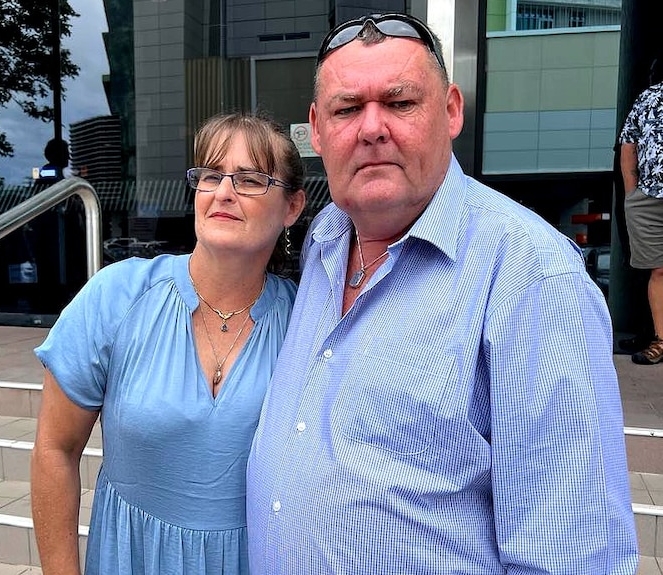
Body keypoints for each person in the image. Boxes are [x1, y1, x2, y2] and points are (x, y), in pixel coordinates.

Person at [246, 13, 637, 574]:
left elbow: (572, 555)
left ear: (452, 110)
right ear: (315, 126)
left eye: (400, 103)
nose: (372, 128)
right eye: (347, 108)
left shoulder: (531, 278)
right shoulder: (324, 241)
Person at [31, 112, 306, 575]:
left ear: (292, 207)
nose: (223, 192)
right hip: (133, 559)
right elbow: (55, 449)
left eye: (250, 179)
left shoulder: (308, 322)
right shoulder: (117, 295)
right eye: (211, 175)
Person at [619, 59, 663, 365]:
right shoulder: (647, 98)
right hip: (648, 197)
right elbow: (628, 146)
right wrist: (631, 194)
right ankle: (661, 340)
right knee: (658, 270)